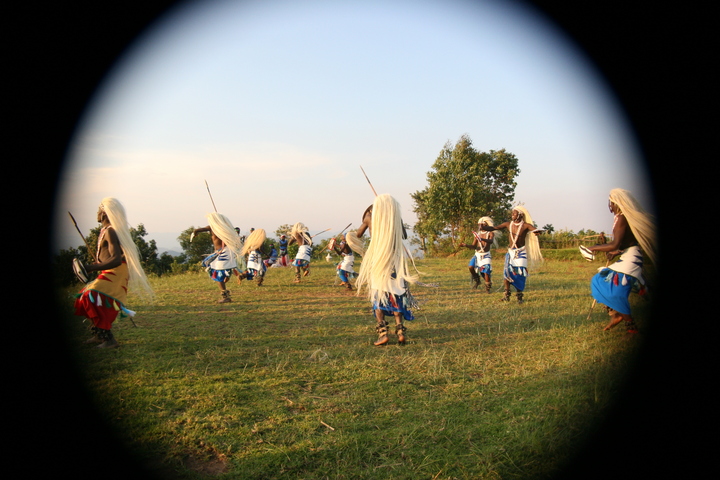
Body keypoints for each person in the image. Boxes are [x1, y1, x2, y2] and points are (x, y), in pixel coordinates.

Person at [73, 198, 154, 348]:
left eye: (99, 210)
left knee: (90, 296)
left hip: (116, 272)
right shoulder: (107, 230)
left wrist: (91, 267)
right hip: (112, 270)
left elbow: (116, 259)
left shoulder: (111, 231)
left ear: (104, 212)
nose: (97, 213)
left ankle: (109, 339)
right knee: (86, 297)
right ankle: (99, 335)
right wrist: (99, 264)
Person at [585, 188, 656, 333]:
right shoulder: (620, 218)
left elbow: (615, 244)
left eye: (611, 203)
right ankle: (617, 314)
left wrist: (593, 248)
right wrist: (616, 252)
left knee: (605, 284)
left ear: (616, 203)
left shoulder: (622, 218)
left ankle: (627, 322)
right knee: (601, 282)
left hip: (632, 259)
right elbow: (625, 243)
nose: (610, 206)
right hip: (628, 256)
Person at [355, 194, 418, 346]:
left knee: (379, 295)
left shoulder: (369, 217)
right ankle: (400, 331)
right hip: (395, 261)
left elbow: (358, 234)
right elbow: (403, 235)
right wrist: (396, 220)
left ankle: (383, 333)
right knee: (396, 293)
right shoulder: (395, 218)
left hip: (379, 260)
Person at [480, 206, 543, 303]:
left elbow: (533, 229)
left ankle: (519, 296)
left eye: (514, 213)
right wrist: (484, 227)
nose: (512, 215)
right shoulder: (508, 224)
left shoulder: (525, 225)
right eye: (512, 213)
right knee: (507, 274)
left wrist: (536, 231)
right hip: (511, 252)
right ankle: (507, 295)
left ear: (520, 215)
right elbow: (495, 228)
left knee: (520, 274)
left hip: (520, 253)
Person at [192, 213, 244, 303]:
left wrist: (195, 232)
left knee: (218, 274)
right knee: (220, 271)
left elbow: (199, 230)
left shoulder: (213, 227)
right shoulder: (226, 228)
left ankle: (225, 297)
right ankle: (227, 277)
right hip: (226, 252)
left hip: (222, 253)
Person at [459, 216, 495, 292]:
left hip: (485, 255)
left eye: (481, 225)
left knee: (485, 272)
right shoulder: (478, 234)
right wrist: (465, 245)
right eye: (479, 225)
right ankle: (477, 280)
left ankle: (488, 287)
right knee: (471, 267)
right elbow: (473, 246)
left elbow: (491, 241)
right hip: (478, 254)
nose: (479, 226)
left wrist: (482, 239)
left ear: (485, 225)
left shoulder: (490, 233)